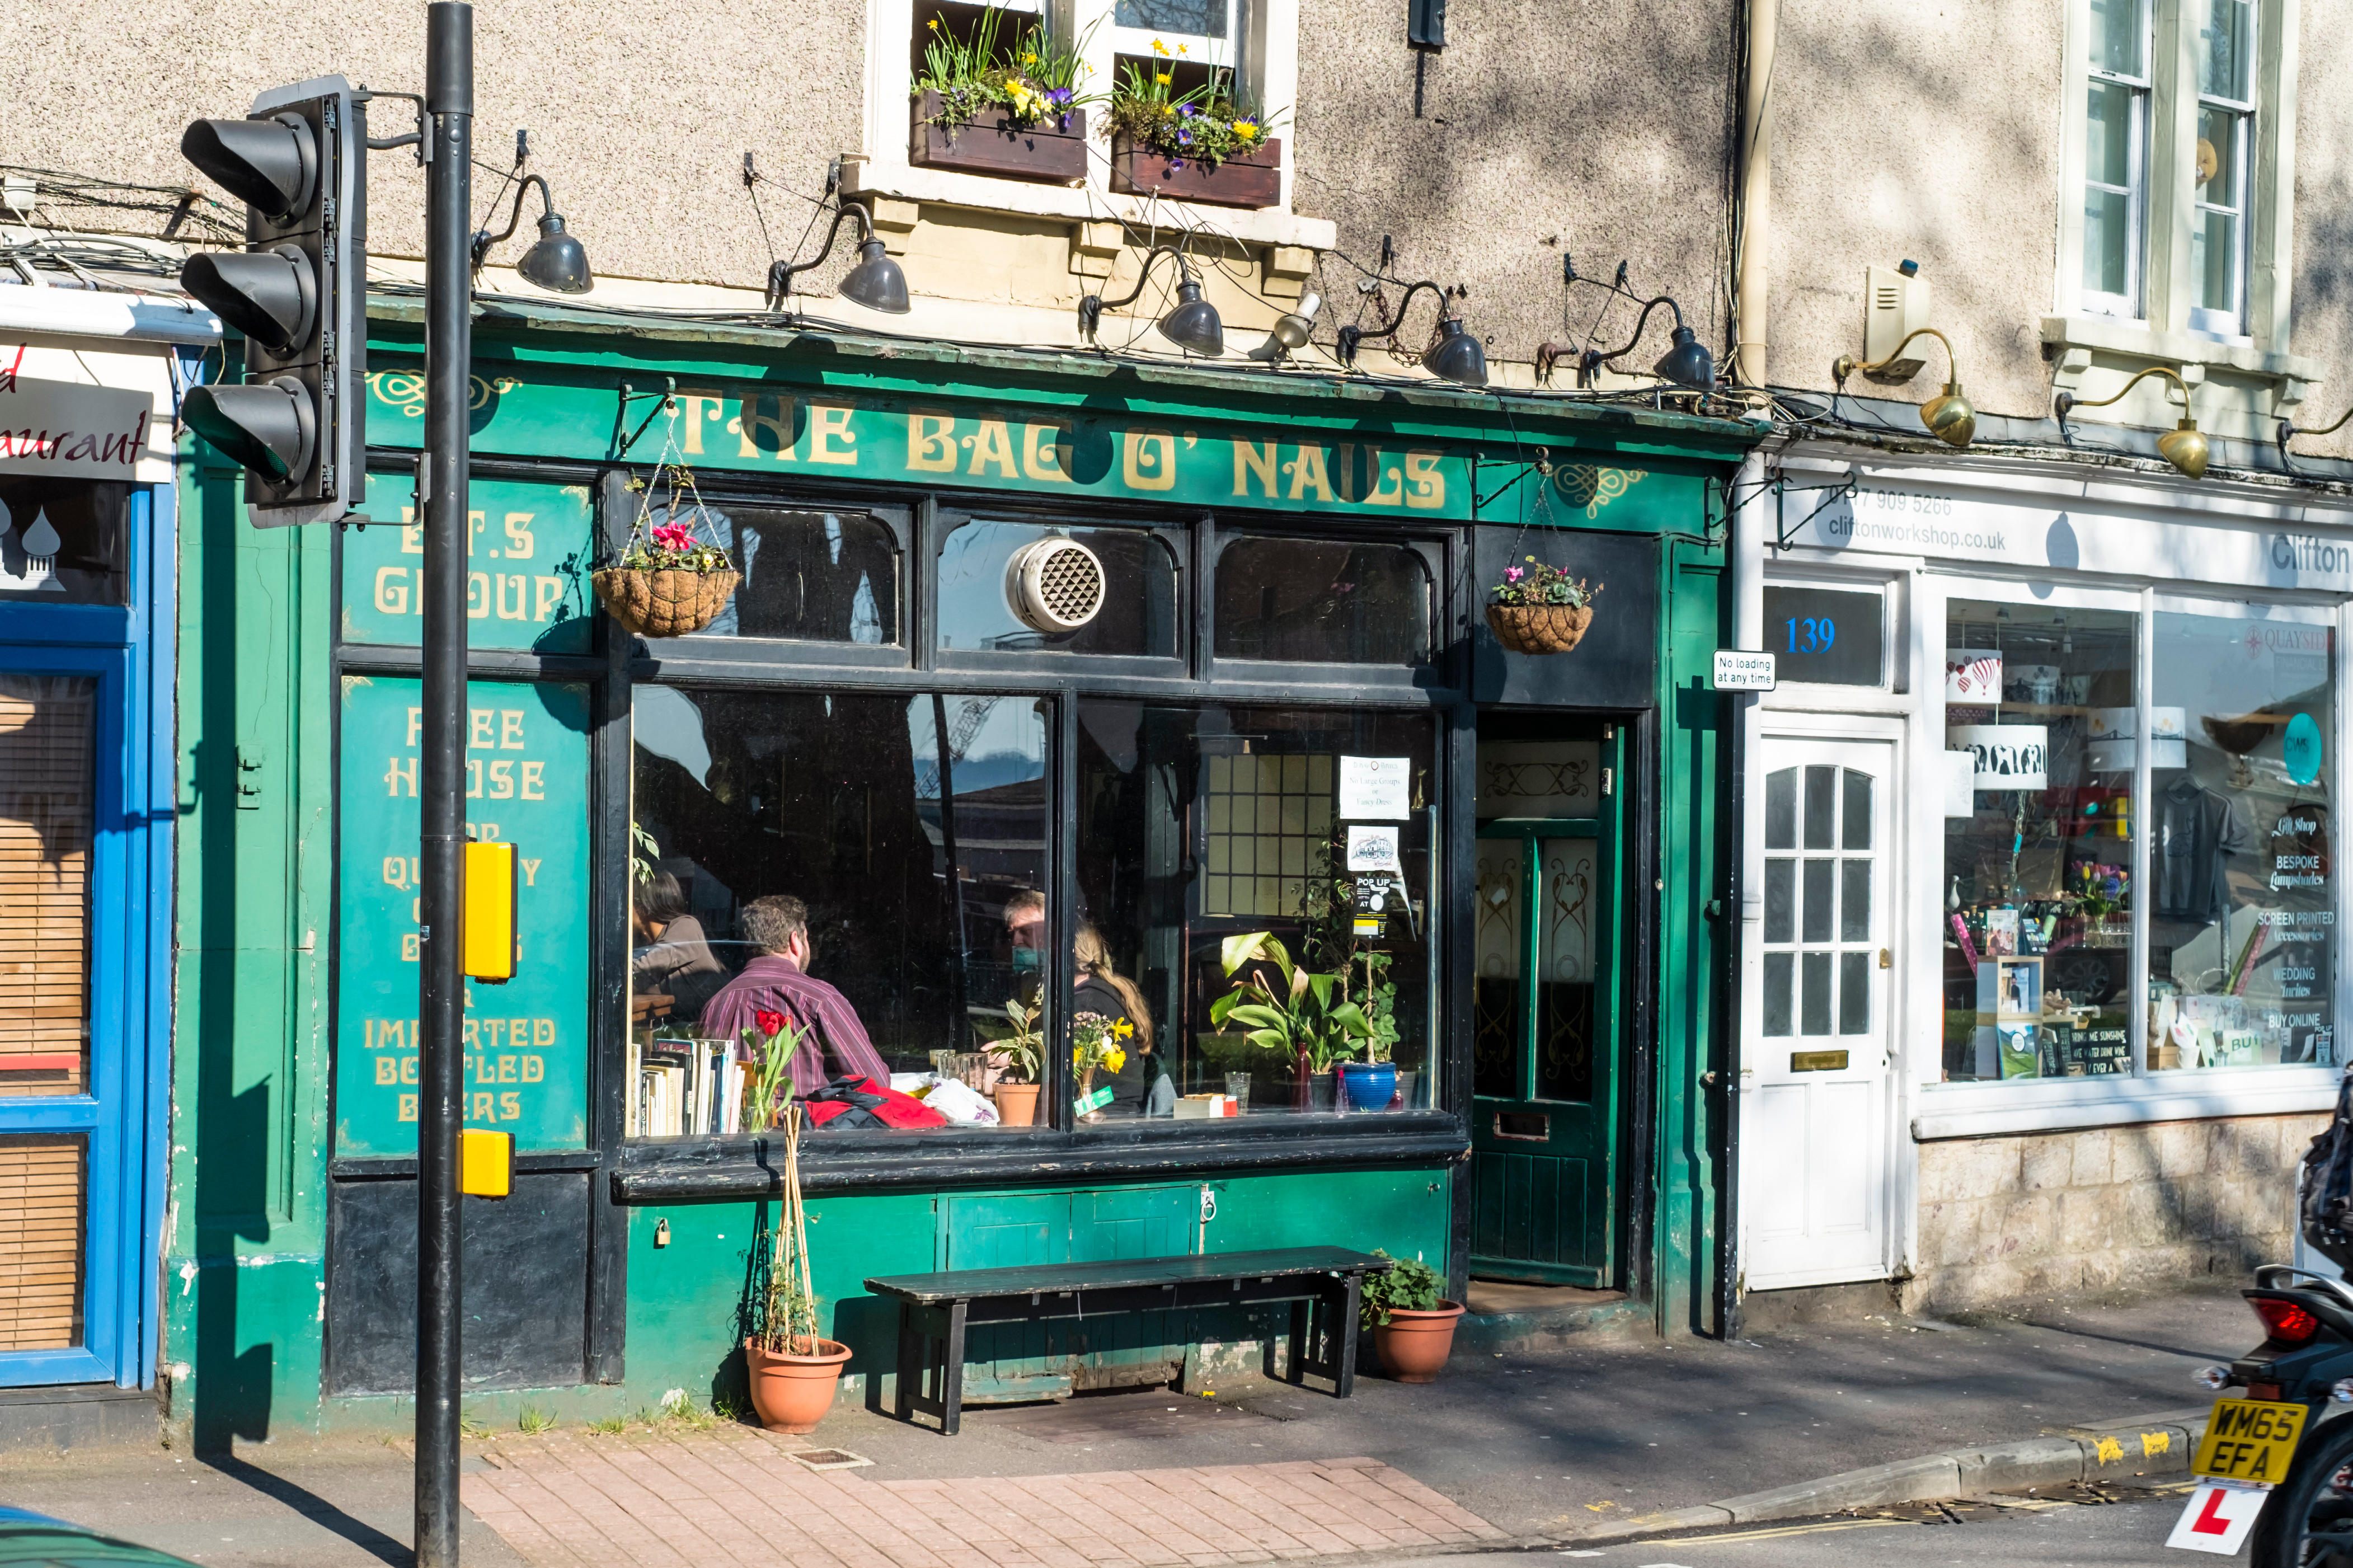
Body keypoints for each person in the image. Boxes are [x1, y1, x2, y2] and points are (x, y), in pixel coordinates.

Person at [700, 895, 891, 1098]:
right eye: (806, 938)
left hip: (734, 1127)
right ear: (795, 941)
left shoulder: (717, 1003)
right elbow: (875, 1084)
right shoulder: (818, 997)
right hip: (801, 1126)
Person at [1074, 922, 1172, 1116]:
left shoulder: (1085, 1005)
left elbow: (1080, 1095)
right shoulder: (1109, 993)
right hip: (1124, 1113)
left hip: (1102, 1120)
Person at [631, 871, 725, 1021]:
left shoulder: (686, 926)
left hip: (707, 1030)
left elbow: (645, 968)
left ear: (643, 908)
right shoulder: (653, 944)